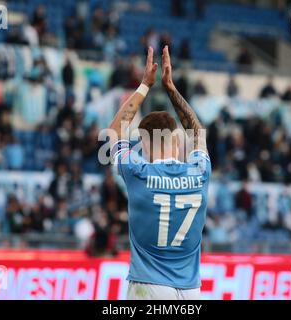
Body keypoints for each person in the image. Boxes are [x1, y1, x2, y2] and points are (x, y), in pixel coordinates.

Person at [108, 46, 211, 300]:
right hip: (191, 290)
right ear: (177, 143)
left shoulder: (136, 171)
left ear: (143, 145)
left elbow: (114, 132)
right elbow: (197, 131)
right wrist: (171, 88)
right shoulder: (200, 171)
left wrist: (144, 85)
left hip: (149, 286)